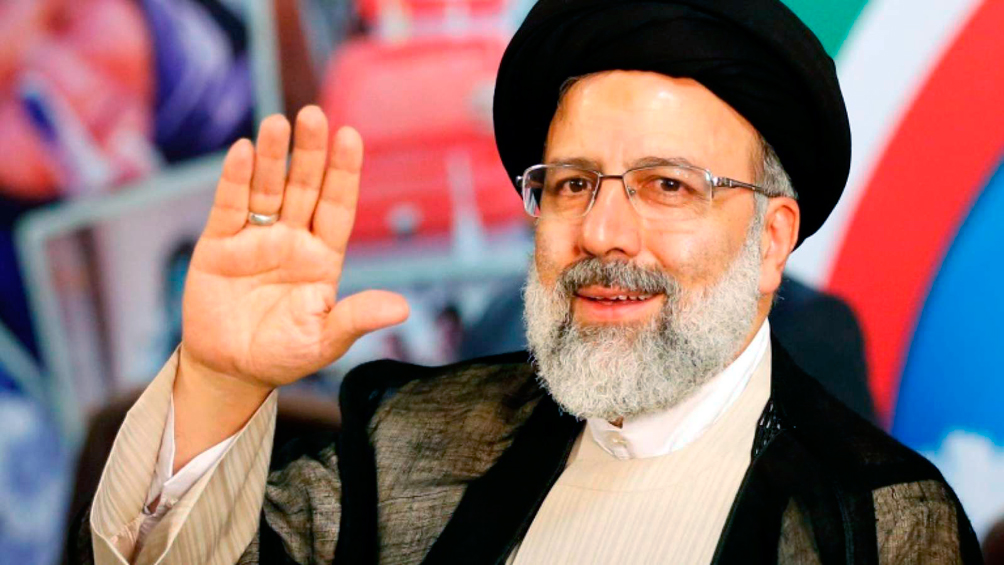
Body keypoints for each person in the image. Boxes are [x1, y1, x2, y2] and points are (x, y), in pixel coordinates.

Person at [72, 0, 981, 563]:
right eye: (573, 183)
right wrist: (220, 383)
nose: (602, 232)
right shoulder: (413, 443)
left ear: (772, 237)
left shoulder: (884, 524)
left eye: (667, 185)